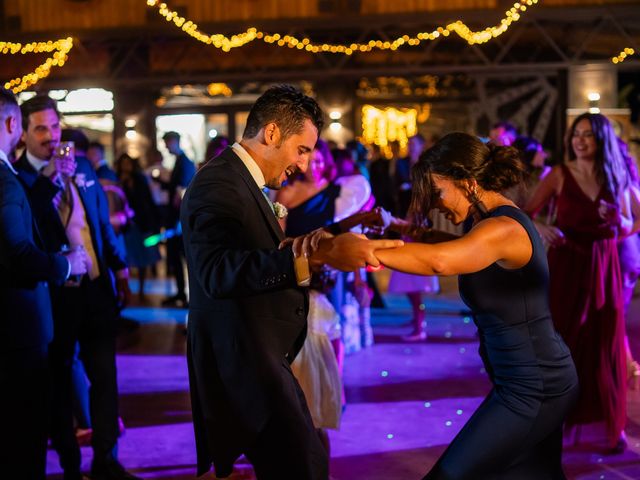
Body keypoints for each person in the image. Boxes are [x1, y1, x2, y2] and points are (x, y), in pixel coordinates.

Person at [297, 132, 579, 479]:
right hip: (528, 381)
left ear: (468, 182)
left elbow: (440, 262)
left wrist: (360, 250)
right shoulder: (487, 223)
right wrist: (404, 230)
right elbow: (457, 247)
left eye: (438, 192)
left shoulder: (504, 227)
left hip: (535, 386)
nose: (436, 204)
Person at [180, 84, 402, 479]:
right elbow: (217, 271)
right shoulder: (218, 183)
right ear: (271, 134)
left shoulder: (243, 180)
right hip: (244, 358)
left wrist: (321, 248)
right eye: (302, 149)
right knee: (304, 464)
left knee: (304, 458)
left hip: (260, 353)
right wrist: (310, 257)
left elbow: (257, 251)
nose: (303, 164)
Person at [14, 95, 137, 480]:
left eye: (54, 126)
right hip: (56, 294)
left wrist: (119, 267)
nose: (51, 136)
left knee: (105, 376)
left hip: (96, 287)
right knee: (60, 381)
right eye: (41, 129)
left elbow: (99, 219)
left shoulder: (81, 164)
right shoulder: (19, 178)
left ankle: (106, 461)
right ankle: (70, 464)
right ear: (21, 131)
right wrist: (51, 180)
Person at [526, 113, 632, 452]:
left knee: (603, 343)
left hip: (604, 265)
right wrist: (541, 229)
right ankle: (552, 426)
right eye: (576, 134)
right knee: (564, 341)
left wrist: (620, 220)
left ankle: (611, 428)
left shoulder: (617, 174)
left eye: (588, 135)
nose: (579, 141)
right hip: (568, 263)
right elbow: (523, 212)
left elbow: (634, 222)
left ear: (601, 140)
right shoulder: (559, 174)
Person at [0, 88, 88, 480]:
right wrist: (65, 265)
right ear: (13, 125)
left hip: (41, 314)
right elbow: (18, 253)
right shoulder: (7, 180)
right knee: (24, 436)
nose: (51, 135)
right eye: (40, 127)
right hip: (19, 324)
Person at [116, 153, 161, 300]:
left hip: (140, 222)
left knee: (142, 257)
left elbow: (146, 200)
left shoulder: (140, 179)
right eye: (123, 163)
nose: (125, 166)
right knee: (126, 256)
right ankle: (125, 287)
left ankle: (141, 289)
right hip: (125, 223)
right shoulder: (117, 180)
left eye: (128, 163)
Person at [160, 131, 195, 307]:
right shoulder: (182, 162)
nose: (166, 147)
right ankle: (181, 294)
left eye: (167, 143)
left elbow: (180, 193)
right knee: (176, 257)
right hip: (178, 219)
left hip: (179, 220)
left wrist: (176, 222)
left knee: (181, 257)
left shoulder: (184, 163)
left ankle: (186, 295)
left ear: (174, 141)